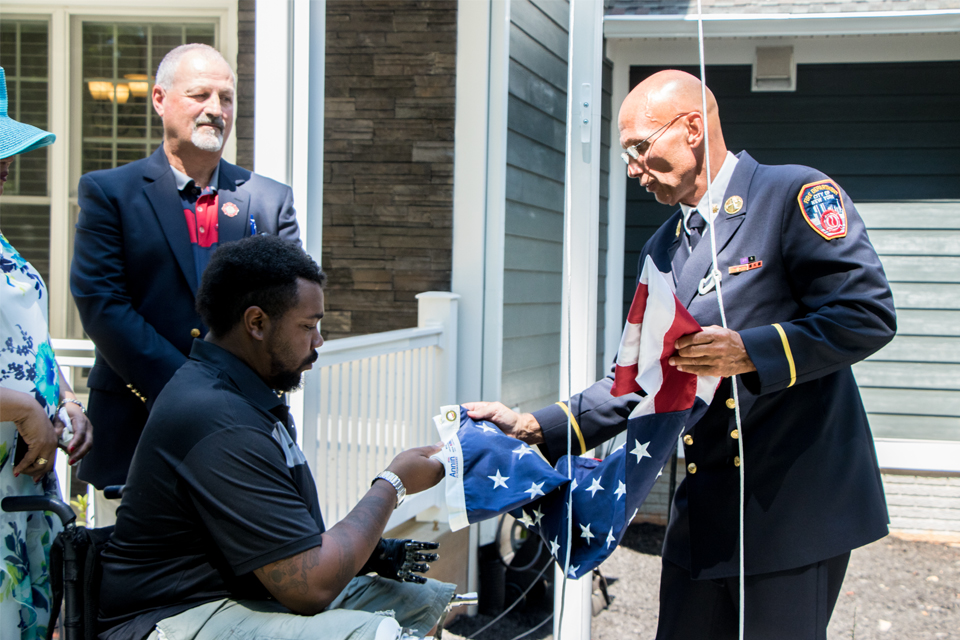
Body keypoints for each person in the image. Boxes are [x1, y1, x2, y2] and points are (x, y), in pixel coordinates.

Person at [466, 69, 895, 639]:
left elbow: (866, 315)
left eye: (639, 148)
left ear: (692, 127)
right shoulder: (663, 246)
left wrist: (750, 352)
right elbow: (638, 382)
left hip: (791, 507)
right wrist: (534, 427)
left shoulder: (791, 196)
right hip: (703, 510)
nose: (632, 169)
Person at [98, 235, 453, 640]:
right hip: (167, 617)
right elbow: (311, 587)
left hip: (243, 597)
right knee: (372, 634)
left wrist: (371, 554)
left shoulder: (246, 397)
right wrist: (392, 484)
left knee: (418, 601)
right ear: (257, 323)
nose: (318, 341)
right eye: (308, 326)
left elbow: (296, 542)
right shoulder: (218, 417)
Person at [70, 44, 300, 516]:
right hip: (134, 426)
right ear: (160, 99)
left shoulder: (269, 200)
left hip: (246, 429)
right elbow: (102, 303)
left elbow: (290, 307)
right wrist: (192, 393)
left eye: (226, 98)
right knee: (129, 560)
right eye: (200, 95)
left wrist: (233, 399)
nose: (216, 109)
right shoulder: (109, 193)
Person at [0, 66, 93, 640]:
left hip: (22, 497)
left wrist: (65, 401)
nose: (7, 166)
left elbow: (27, 344)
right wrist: (22, 409)